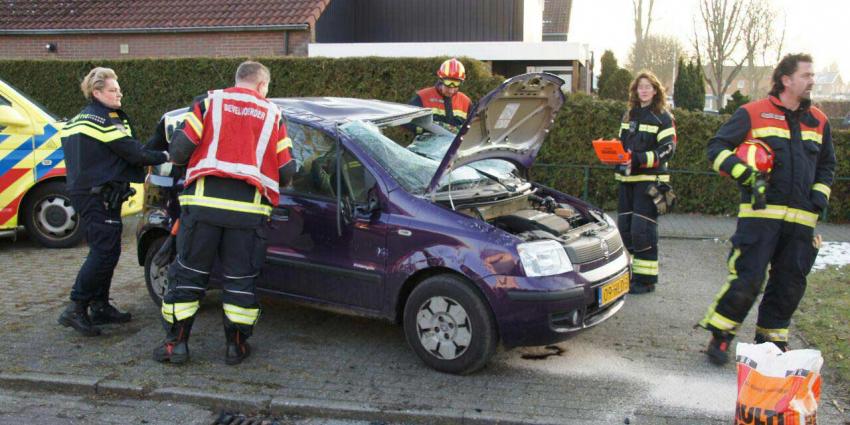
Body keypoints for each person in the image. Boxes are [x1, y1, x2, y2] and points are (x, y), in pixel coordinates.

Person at [153, 61, 295, 365]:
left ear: (237, 81)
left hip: (202, 209)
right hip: (248, 215)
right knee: (240, 280)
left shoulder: (207, 103)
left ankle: (176, 345)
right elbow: (286, 172)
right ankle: (236, 348)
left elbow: (179, 152)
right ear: (261, 86)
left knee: (188, 277)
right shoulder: (272, 113)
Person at [700, 53, 835, 365]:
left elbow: (827, 164)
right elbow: (716, 149)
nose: (812, 80)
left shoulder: (820, 121)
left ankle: (770, 343)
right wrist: (745, 174)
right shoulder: (752, 113)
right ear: (786, 80)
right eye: (806, 75)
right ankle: (720, 335)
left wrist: (819, 196)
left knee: (789, 285)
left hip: (802, 220)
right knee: (748, 279)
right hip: (760, 217)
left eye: (813, 75)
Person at [57, 67, 169, 336]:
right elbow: (133, 153)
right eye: (112, 89)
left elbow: (129, 148)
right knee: (103, 251)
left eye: (119, 88)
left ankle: (99, 305)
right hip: (97, 195)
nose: (119, 93)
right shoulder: (101, 120)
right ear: (97, 92)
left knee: (107, 249)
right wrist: (168, 155)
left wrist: (156, 137)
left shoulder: (85, 118)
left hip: (95, 192)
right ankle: (76, 306)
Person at [615, 71, 677, 294]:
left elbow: (668, 150)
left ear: (655, 90)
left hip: (649, 182)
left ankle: (646, 280)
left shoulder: (663, 117)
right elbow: (622, 144)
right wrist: (612, 153)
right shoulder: (628, 115)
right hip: (627, 179)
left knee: (643, 231)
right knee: (625, 230)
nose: (643, 90)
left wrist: (640, 159)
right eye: (640, 86)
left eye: (647, 86)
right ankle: (632, 274)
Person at [409, 58, 472, 133]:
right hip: (428, 143)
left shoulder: (466, 102)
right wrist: (428, 129)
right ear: (440, 80)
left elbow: (473, 127)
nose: (451, 91)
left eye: (456, 85)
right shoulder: (422, 97)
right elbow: (407, 122)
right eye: (448, 84)